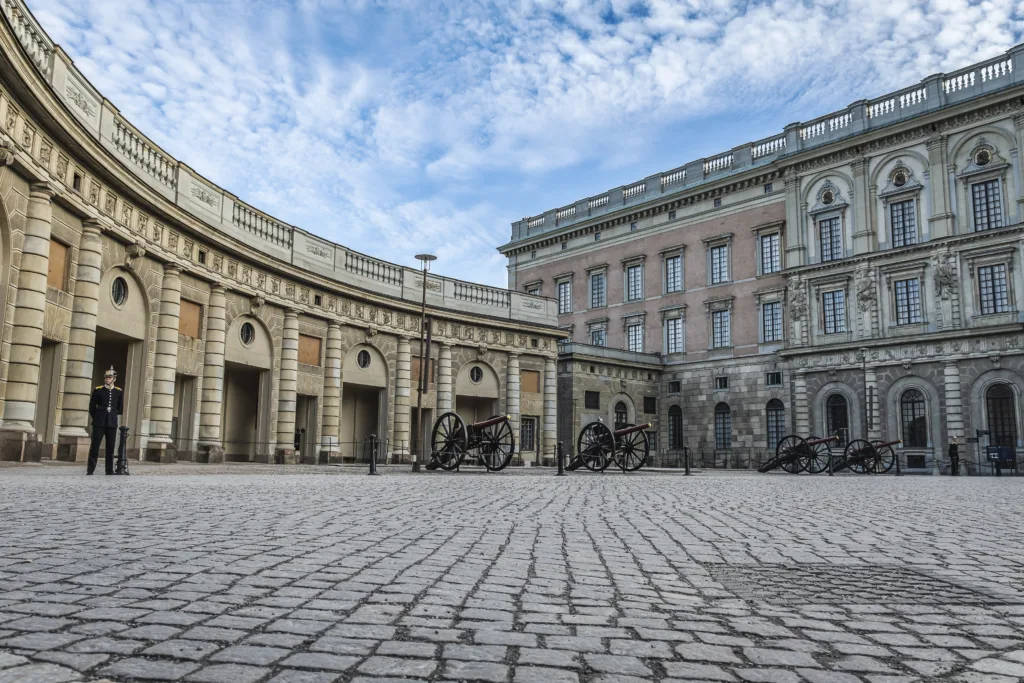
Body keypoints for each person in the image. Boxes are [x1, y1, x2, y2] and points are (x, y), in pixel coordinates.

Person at [87, 366, 123, 475]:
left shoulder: (119, 392)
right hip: (99, 422)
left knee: (110, 448)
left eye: (109, 377)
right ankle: (90, 469)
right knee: (95, 446)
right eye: (106, 377)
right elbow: (92, 408)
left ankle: (109, 470)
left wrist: (111, 416)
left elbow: (120, 408)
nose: (107, 379)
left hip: (111, 422)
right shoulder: (98, 390)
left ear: (114, 379)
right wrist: (98, 417)